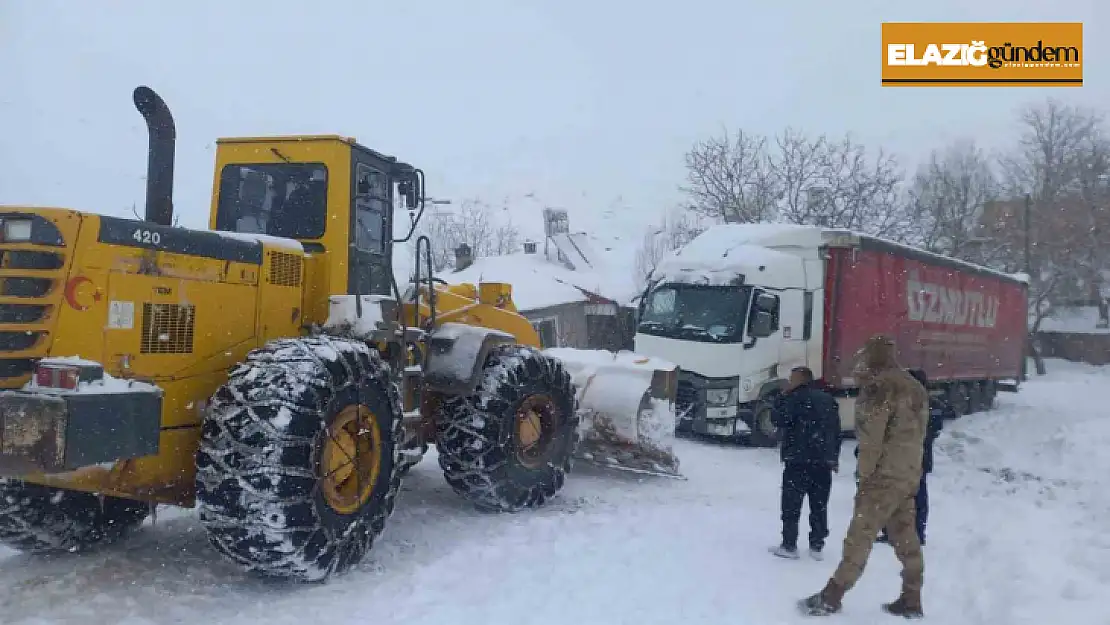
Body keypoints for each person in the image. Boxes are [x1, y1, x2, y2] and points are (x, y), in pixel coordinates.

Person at [798, 335, 929, 618]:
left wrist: (865, 476)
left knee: (860, 535)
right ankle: (912, 597)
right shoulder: (914, 387)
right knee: (906, 534)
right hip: (908, 473)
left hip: (882, 475)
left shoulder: (880, 388)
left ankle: (833, 595)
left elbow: (871, 440)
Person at [769, 366, 841, 561]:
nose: (789, 382)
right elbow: (836, 431)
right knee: (819, 504)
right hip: (822, 461)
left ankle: (789, 544)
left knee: (792, 504)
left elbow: (778, 419)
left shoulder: (793, 399)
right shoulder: (827, 399)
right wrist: (833, 457)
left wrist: (780, 398)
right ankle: (817, 544)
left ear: (800, 380)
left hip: (798, 460)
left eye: (792, 378)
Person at [876, 368, 948, 546]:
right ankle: (916, 532)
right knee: (918, 496)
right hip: (920, 458)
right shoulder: (933, 404)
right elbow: (934, 429)